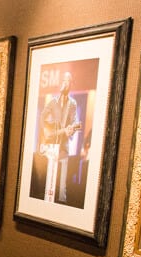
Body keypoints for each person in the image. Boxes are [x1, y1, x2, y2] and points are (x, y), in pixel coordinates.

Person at [40, 71, 81, 203]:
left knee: (62, 188)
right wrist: (48, 128)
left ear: (71, 85)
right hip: (51, 146)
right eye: (63, 80)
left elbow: (74, 122)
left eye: (68, 81)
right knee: (48, 184)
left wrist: (71, 130)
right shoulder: (53, 102)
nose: (65, 83)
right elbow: (42, 117)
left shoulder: (72, 104)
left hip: (63, 147)